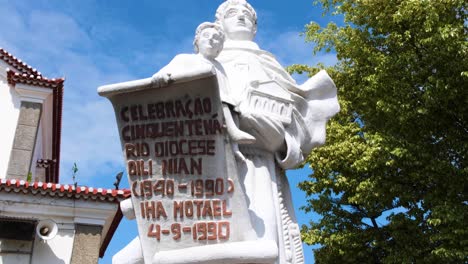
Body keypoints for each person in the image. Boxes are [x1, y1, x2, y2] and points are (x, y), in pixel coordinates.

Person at [214, 1, 340, 263]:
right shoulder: (207, 64)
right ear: (219, 23)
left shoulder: (269, 66)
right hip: (214, 164)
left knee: (263, 242)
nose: (241, 17)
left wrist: (281, 141)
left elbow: (297, 127)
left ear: (256, 26)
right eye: (232, 13)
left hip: (260, 166)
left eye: (247, 14)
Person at [152, 22, 255, 160]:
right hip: (191, 101)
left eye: (216, 38)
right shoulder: (184, 59)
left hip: (215, 108)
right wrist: (161, 76)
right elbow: (162, 74)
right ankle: (233, 131)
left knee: (232, 105)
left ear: (220, 47)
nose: (211, 39)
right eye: (206, 36)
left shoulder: (219, 67)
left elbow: (226, 93)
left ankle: (234, 146)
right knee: (223, 99)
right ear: (197, 41)